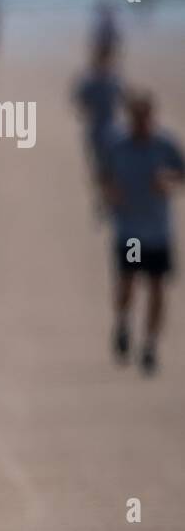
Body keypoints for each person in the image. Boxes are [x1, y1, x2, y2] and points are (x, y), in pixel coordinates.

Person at [101, 90, 184, 375]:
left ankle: (149, 345)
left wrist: (168, 181)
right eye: (135, 117)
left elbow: (181, 173)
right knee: (129, 281)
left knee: (158, 287)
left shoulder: (165, 145)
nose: (140, 123)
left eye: (144, 117)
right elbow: (105, 175)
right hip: (132, 232)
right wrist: (110, 193)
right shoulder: (118, 145)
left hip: (158, 231)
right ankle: (123, 322)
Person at [73, 42, 123, 190]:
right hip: (95, 126)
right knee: (98, 161)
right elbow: (79, 100)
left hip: (112, 126)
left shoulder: (115, 79)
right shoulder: (88, 80)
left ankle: (109, 186)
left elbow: (123, 97)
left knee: (113, 160)